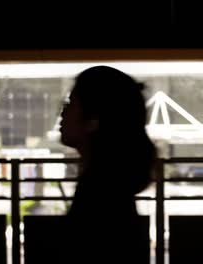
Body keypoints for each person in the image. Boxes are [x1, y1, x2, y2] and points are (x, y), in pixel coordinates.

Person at [58, 66, 156, 263]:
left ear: (93, 121)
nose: (63, 111)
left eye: (71, 102)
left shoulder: (97, 190)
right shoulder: (111, 184)